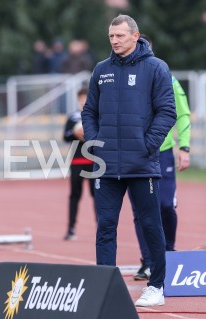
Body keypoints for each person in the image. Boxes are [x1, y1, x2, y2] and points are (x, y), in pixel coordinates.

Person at [81, 15, 176, 307]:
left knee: (151, 225)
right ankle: (105, 286)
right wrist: (96, 144)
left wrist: (147, 145)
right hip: (107, 166)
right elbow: (89, 112)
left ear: (135, 36)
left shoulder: (156, 68)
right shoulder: (101, 70)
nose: (114, 41)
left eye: (120, 36)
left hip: (141, 164)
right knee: (106, 226)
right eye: (111, 36)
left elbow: (167, 112)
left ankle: (156, 286)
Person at [131, 34, 191, 281]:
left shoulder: (167, 77)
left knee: (166, 205)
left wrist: (184, 148)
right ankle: (148, 260)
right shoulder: (122, 79)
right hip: (135, 153)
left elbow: (183, 114)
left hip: (163, 152)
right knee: (142, 208)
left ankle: (169, 254)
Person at [63, 87, 95, 241]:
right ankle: (71, 228)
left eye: (86, 98)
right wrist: (75, 133)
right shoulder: (73, 117)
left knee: (98, 195)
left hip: (96, 162)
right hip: (77, 161)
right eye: (81, 98)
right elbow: (65, 136)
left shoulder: (97, 115)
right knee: (75, 195)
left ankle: (101, 227)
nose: (84, 101)